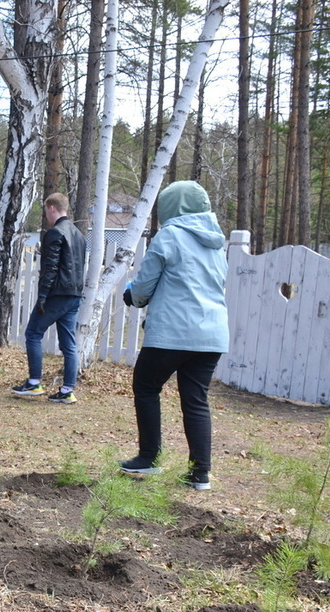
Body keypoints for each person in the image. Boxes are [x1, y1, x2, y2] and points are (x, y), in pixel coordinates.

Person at [118, 180, 228, 492]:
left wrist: (133, 297)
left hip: (173, 331)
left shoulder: (170, 235)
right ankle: (200, 474)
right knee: (195, 399)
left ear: (170, 207)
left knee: (146, 386)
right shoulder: (217, 242)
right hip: (212, 334)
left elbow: (145, 283)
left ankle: (149, 457)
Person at [11, 192, 87, 404]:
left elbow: (51, 268)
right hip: (74, 295)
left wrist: (43, 295)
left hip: (56, 294)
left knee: (33, 333)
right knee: (69, 344)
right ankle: (67, 390)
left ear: (52, 208)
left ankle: (35, 382)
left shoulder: (55, 233)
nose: (46, 215)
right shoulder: (78, 235)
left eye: (46, 210)